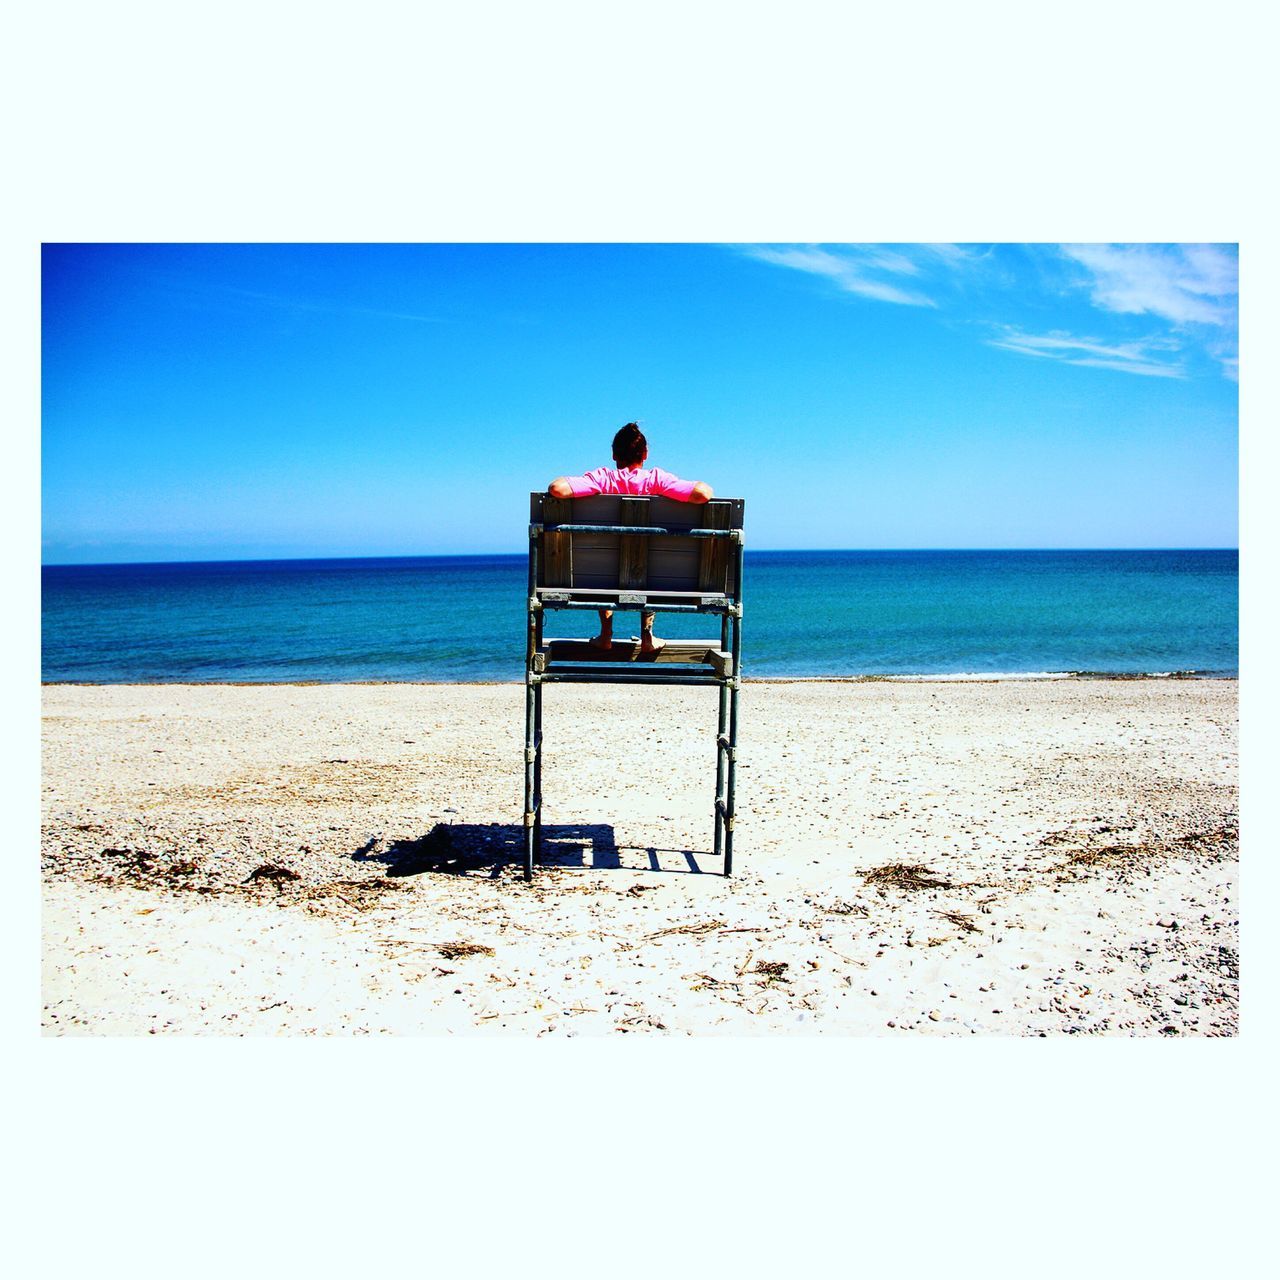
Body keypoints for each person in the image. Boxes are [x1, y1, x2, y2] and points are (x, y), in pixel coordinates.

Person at [548, 422, 713, 654]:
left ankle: (606, 634)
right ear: (645, 454)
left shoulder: (603, 479)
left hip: (601, 582)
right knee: (649, 561)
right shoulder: (657, 480)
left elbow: (557, 488)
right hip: (653, 581)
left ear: (614, 454)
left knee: (604, 565)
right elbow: (704, 493)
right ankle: (647, 636)